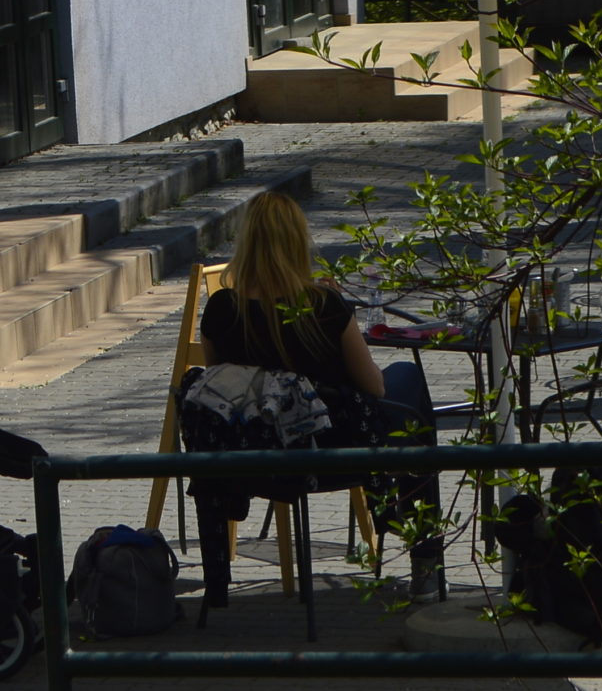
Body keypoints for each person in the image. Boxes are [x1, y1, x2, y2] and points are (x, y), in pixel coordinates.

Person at [187, 191, 443, 606]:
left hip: (252, 458)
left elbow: (220, 385)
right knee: (406, 379)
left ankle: (218, 586)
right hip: (333, 450)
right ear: (296, 242)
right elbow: (374, 388)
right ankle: (424, 558)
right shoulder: (323, 306)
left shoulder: (221, 309)